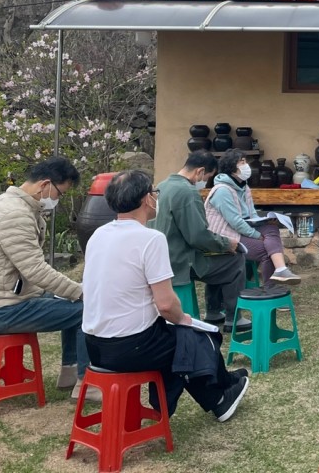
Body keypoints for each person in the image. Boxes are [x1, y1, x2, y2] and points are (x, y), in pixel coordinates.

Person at [82, 170, 249, 421]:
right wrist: (185, 320)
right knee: (195, 338)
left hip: (95, 344)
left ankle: (221, 391)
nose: (156, 198)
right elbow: (166, 304)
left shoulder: (99, 234)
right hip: (131, 346)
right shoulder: (150, 239)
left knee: (181, 339)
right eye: (154, 192)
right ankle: (219, 397)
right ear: (146, 199)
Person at [0, 156, 92, 400]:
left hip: (0, 299)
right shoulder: (15, 215)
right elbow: (36, 270)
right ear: (44, 185)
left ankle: (70, 373)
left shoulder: (8, 204)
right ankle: (87, 383)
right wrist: (79, 290)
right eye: (60, 194)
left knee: (72, 302)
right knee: (87, 308)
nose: (57, 200)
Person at [154, 152, 246, 332]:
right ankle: (233, 317)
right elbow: (198, 236)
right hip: (181, 262)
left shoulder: (162, 186)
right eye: (207, 177)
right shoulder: (188, 192)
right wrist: (227, 244)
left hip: (162, 258)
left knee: (216, 258)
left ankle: (213, 312)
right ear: (200, 171)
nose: (204, 182)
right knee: (235, 260)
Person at [205, 149, 300, 287]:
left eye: (245, 161)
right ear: (232, 167)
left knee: (271, 227)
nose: (246, 166)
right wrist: (256, 235)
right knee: (265, 251)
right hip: (225, 235)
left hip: (242, 229)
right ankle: (270, 291)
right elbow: (235, 222)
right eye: (242, 162)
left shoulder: (244, 187)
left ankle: (281, 269)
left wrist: (264, 221)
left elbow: (251, 214)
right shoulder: (222, 191)